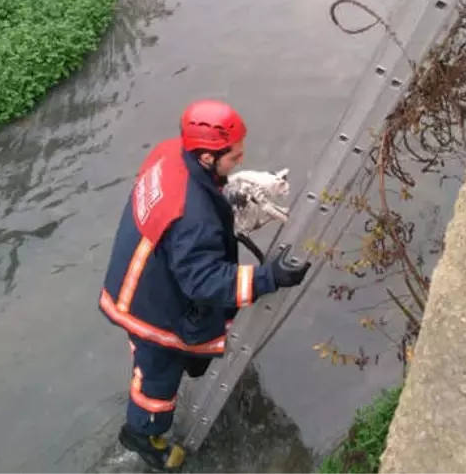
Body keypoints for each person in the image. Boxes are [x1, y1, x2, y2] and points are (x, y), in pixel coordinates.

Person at [97, 99, 311, 469]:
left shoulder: (172, 153)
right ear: (208, 157)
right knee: (157, 377)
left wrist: (226, 194)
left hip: (147, 272)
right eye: (233, 159)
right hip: (149, 306)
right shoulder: (193, 218)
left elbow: (182, 217)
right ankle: (143, 435)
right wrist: (269, 277)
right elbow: (205, 280)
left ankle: (187, 368)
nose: (239, 163)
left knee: (176, 359)